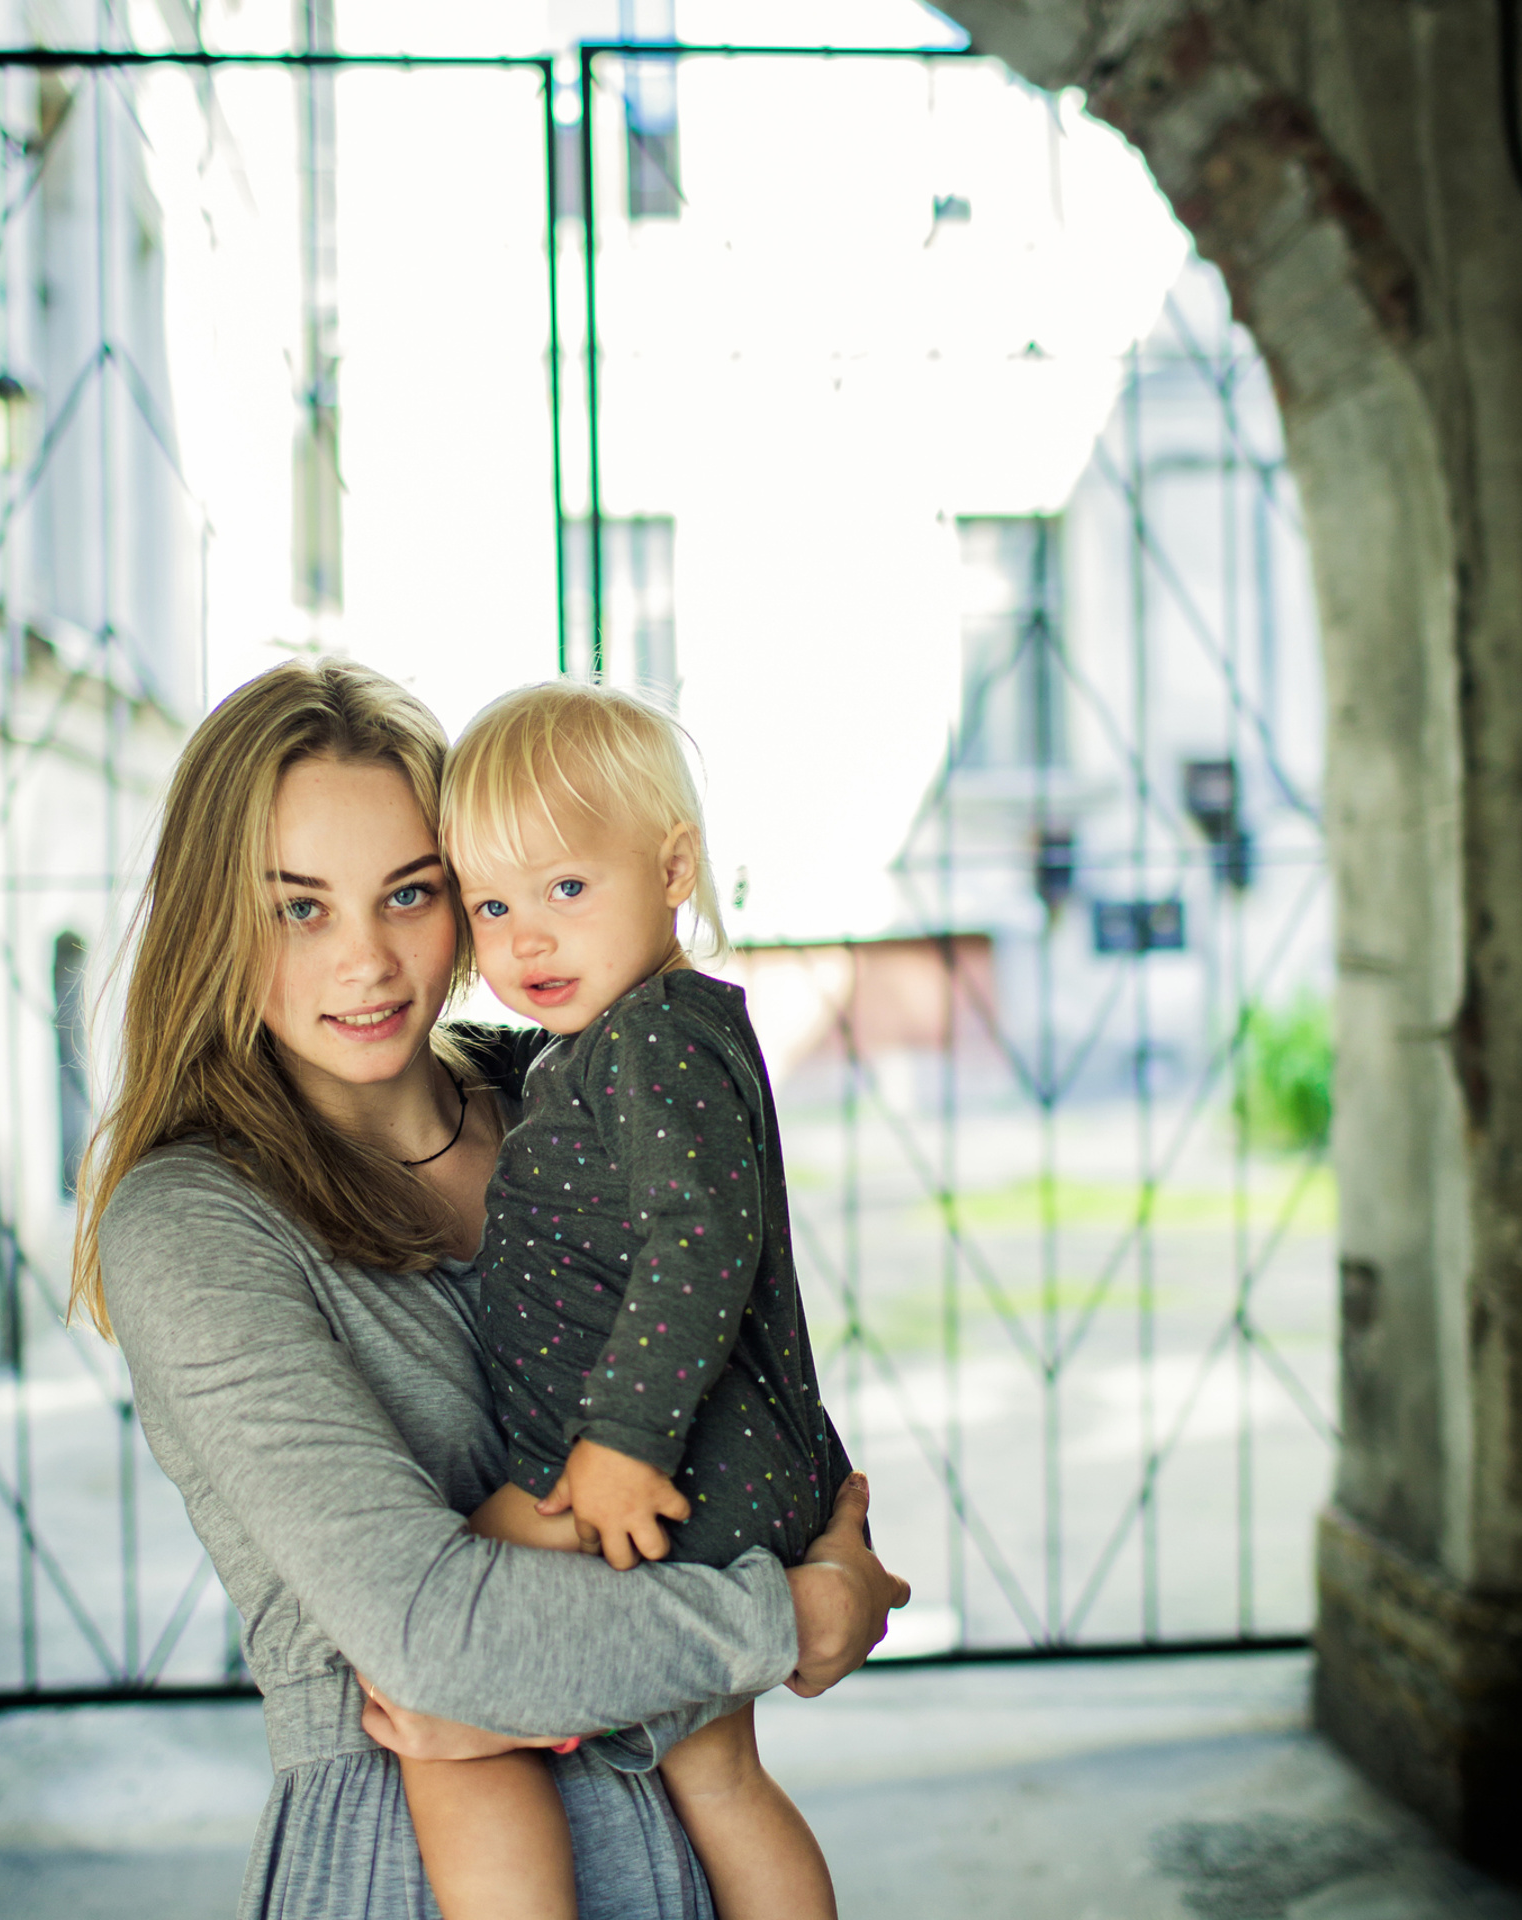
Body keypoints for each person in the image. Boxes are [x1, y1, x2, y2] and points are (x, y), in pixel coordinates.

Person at [68, 657, 908, 1920]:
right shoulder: (197, 1222)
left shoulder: (564, 1094)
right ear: (213, 916)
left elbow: (725, 1337)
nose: (368, 963)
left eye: (409, 895)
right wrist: (793, 1618)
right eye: (299, 908)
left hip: (678, 1841)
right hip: (412, 1851)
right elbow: (429, 1635)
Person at [390, 680, 848, 1920]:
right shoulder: (609, 1042)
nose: (525, 938)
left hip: (668, 1457)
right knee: (719, 1779)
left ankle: (501, 1730)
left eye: (566, 889)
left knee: (445, 1622)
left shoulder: (654, 1041)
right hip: (667, 1448)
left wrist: (624, 1440)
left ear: (674, 868)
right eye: (491, 904)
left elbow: (704, 1240)